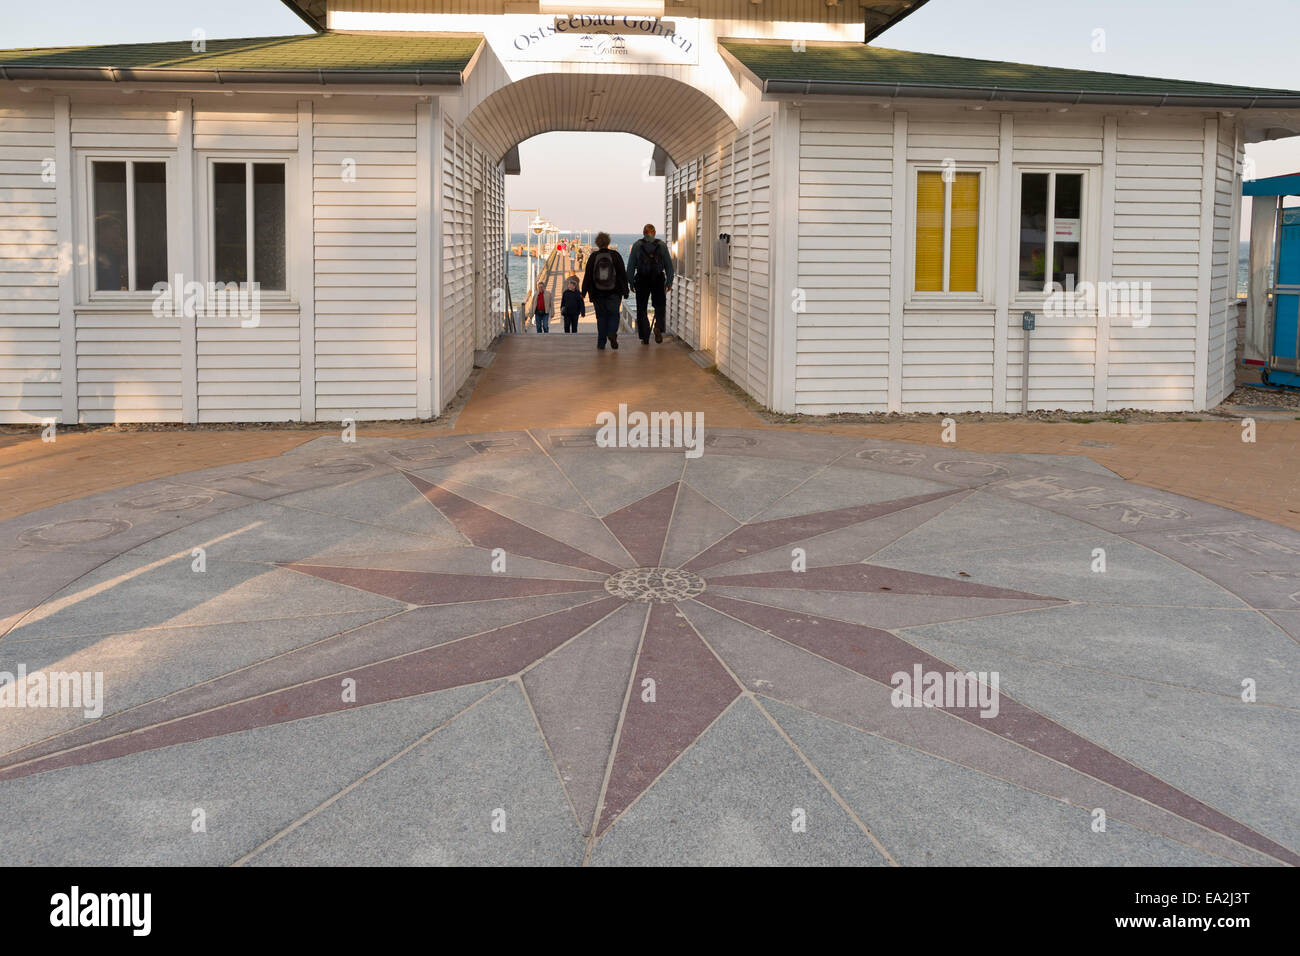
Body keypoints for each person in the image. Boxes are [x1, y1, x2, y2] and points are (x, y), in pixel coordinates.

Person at [626, 223, 674, 344]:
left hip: (642, 279)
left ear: (644, 233)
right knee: (660, 306)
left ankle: (645, 336)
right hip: (658, 279)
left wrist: (631, 282)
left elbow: (630, 266)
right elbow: (669, 266)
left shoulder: (637, 245)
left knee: (641, 308)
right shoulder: (662, 245)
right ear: (654, 233)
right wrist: (669, 282)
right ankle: (658, 327)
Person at [581, 231, 628, 351]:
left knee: (601, 317)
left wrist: (583, 292)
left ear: (597, 243)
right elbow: (622, 274)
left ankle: (601, 343)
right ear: (608, 242)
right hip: (614, 292)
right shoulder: (615, 255)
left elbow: (588, 276)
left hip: (597, 293)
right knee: (613, 315)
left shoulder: (593, 256)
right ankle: (612, 333)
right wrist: (625, 290)